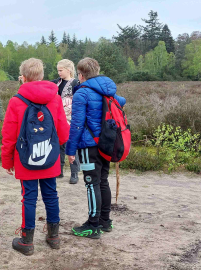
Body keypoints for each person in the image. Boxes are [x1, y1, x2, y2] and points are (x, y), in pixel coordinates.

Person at [1, 58, 70, 256]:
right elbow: (63, 133)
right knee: (51, 195)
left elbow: (9, 136)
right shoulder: (55, 98)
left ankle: (27, 241)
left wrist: (7, 161)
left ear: (23, 78)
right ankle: (54, 237)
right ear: (41, 75)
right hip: (49, 156)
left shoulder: (16, 101)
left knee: (29, 198)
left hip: (25, 159)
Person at [66, 58, 126, 239]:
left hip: (88, 146)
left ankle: (93, 225)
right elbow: (121, 101)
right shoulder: (107, 91)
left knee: (92, 184)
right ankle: (105, 221)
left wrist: (70, 150)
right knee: (103, 181)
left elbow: (76, 125)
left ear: (81, 74)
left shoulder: (81, 94)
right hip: (106, 144)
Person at [51, 59, 80, 184]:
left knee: (71, 145)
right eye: (58, 70)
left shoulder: (76, 83)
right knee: (59, 145)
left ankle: (74, 173)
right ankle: (59, 170)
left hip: (71, 119)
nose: (59, 72)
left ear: (68, 70)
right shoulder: (56, 82)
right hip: (58, 118)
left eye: (61, 70)